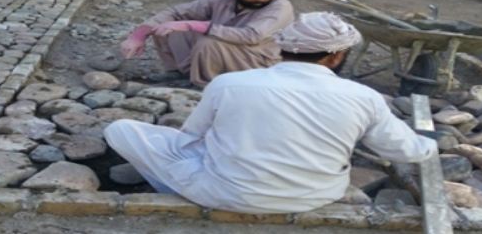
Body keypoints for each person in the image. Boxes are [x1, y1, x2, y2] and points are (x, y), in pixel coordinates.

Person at [105, 12, 437, 214]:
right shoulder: (364, 97)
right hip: (314, 197)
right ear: (336, 57)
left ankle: (175, 191)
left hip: (223, 193)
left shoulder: (228, 84)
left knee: (121, 129)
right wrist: (429, 142)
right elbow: (407, 151)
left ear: (282, 47)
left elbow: (190, 139)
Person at [120, 0, 295, 87]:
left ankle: (205, 85)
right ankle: (178, 74)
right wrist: (139, 35)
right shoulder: (223, 0)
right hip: (224, 48)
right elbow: (174, 12)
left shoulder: (280, 6)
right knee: (165, 28)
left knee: (208, 42)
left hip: (257, 58)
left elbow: (251, 36)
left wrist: (196, 25)